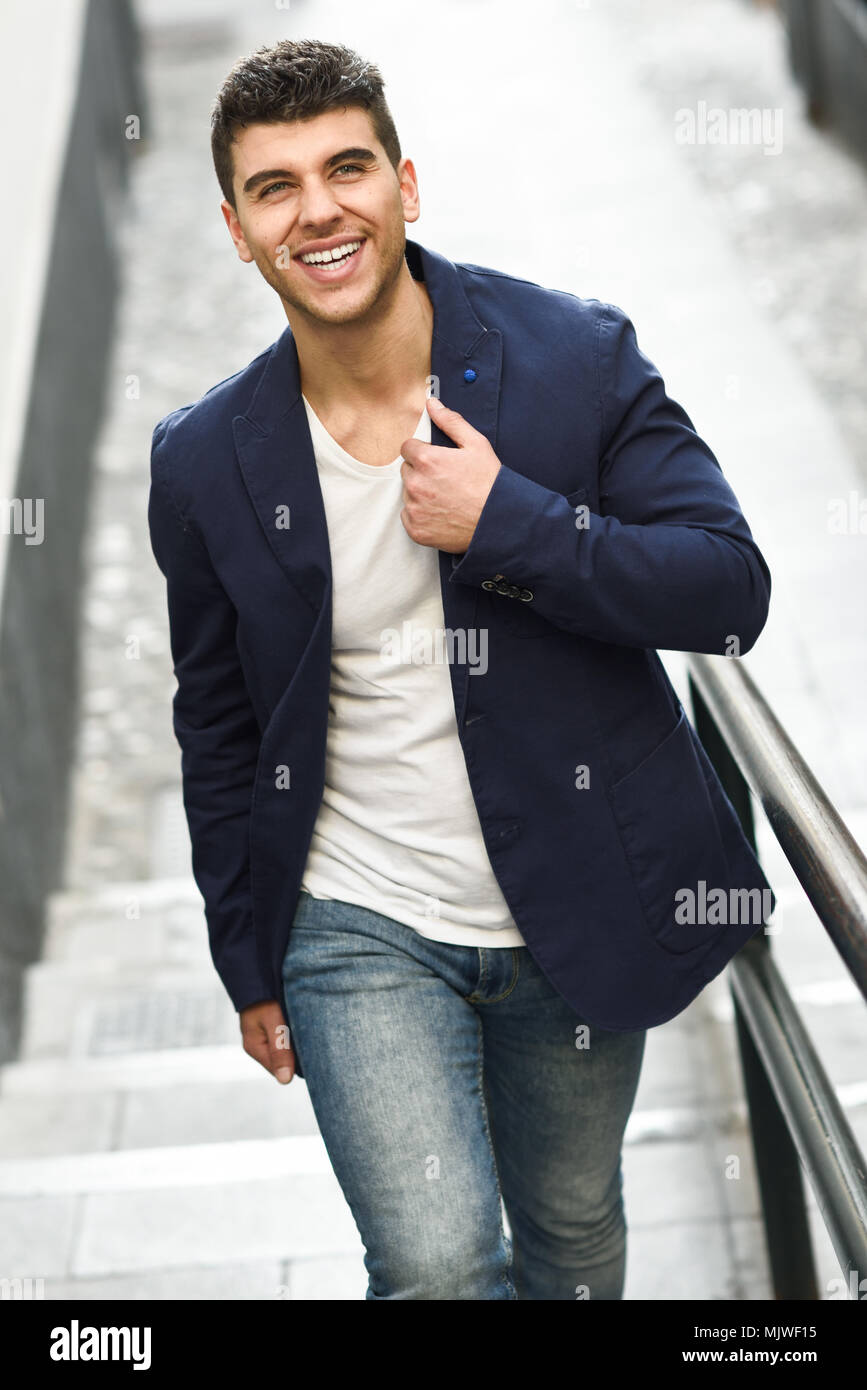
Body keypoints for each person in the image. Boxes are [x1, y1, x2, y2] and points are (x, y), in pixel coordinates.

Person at [148, 38, 775, 1300]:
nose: (318, 210)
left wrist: (517, 524)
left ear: (406, 185)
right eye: (275, 188)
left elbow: (728, 591)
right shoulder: (205, 457)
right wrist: (244, 955)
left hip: (575, 897)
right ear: (237, 229)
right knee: (437, 1264)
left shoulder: (576, 357)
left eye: (347, 168)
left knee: (575, 1240)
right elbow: (217, 725)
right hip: (356, 917)